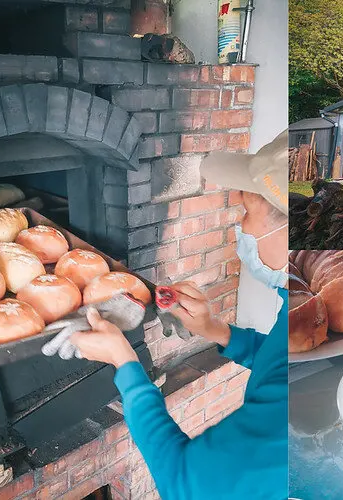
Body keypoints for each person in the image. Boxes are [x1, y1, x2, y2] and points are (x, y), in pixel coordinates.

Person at [67, 132, 289, 500]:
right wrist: (216, 330)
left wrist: (124, 362)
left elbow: (184, 480)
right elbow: (281, 360)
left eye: (247, 205)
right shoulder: (296, 296)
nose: (234, 200)